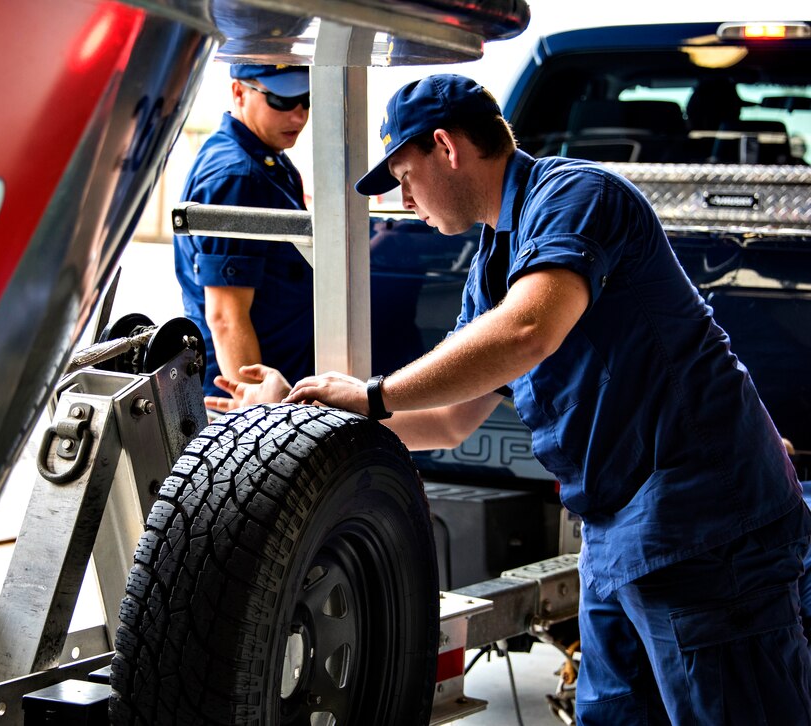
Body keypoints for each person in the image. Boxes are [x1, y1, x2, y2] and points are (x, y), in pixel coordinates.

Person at [264, 73, 810, 723]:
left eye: (405, 178)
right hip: (616, 532)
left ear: (447, 147)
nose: (404, 202)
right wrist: (306, 417)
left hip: (707, 522)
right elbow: (445, 421)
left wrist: (374, 394)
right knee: (611, 712)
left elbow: (528, 332)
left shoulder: (576, 196)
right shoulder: (494, 264)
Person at [174, 64, 314, 407]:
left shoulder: (268, 161)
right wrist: (257, 422)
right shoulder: (239, 177)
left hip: (279, 388)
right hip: (250, 401)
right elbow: (225, 317)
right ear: (239, 92)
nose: (298, 116)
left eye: (307, 100)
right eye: (281, 100)